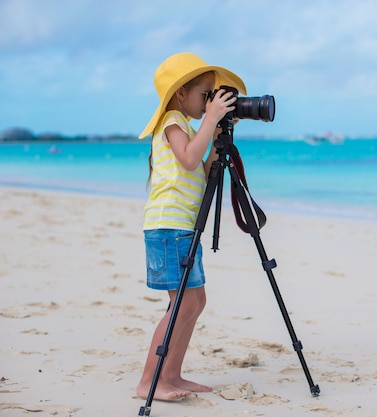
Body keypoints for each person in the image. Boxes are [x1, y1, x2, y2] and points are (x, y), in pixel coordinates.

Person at [135, 52, 247, 401]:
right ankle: (148, 382)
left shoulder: (187, 125)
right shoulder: (171, 120)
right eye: (206, 95)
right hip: (168, 225)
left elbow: (202, 163)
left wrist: (217, 129)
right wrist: (208, 120)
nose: (209, 102)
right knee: (182, 303)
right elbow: (187, 158)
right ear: (181, 93)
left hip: (182, 226)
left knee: (194, 300)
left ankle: (172, 375)